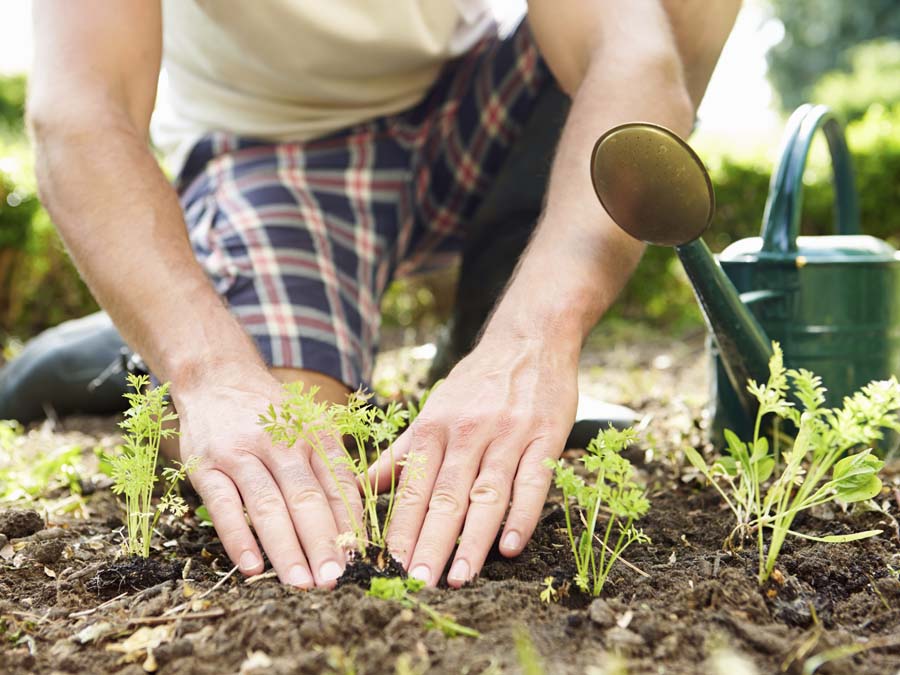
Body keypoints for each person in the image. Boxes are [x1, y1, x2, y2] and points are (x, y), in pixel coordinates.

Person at [22, 0, 739, 590]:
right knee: (293, 449)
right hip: (281, 148)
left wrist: (534, 337)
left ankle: (483, 337)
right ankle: (156, 327)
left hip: (468, 104)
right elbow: (82, 108)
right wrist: (207, 369)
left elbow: (633, 57)